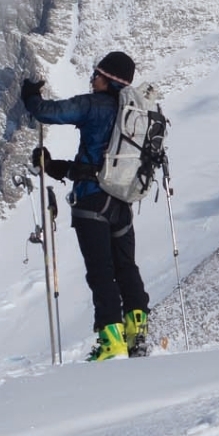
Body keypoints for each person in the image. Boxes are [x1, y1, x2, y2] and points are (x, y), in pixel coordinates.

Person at [21, 51, 151, 361]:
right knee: (126, 267)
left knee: (101, 272)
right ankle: (137, 334)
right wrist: (54, 167)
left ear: (110, 80)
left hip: (92, 201)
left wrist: (30, 96)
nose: (92, 78)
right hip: (122, 201)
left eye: (97, 74)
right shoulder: (132, 114)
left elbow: (46, 112)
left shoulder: (94, 105)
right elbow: (98, 163)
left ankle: (111, 342)